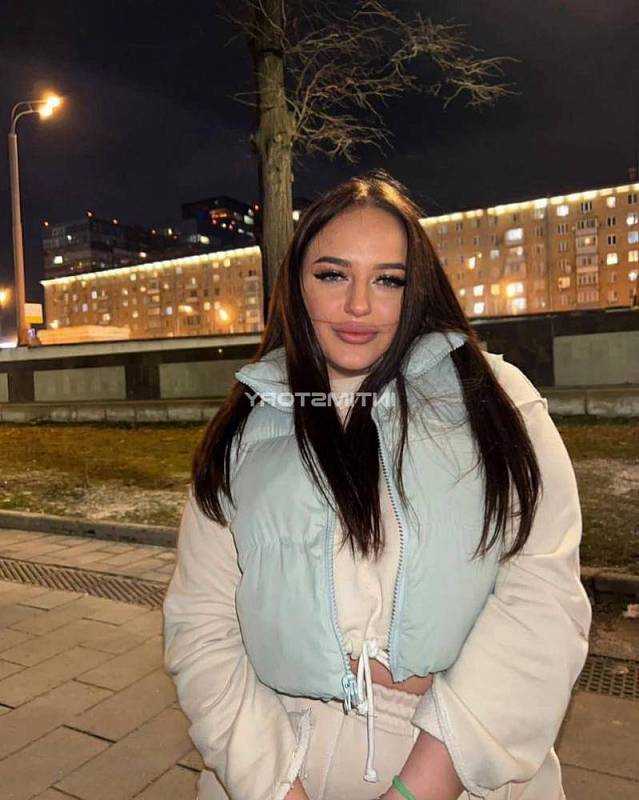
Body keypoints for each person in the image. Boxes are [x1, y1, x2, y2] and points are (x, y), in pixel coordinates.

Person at [162, 170, 592, 800]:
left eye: (388, 279)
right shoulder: (244, 424)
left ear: (419, 290)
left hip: (461, 771)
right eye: (332, 274)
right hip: (271, 761)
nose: (359, 305)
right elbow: (201, 622)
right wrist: (274, 786)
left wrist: (420, 788)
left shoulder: (497, 402)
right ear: (296, 284)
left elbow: (543, 599)